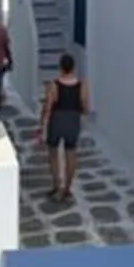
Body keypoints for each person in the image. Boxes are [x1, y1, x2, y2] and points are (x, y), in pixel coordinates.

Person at [39, 51, 89, 199]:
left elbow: (48, 106)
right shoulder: (82, 85)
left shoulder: (54, 85)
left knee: (53, 153)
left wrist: (42, 124)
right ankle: (67, 188)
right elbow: (86, 108)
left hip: (57, 119)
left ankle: (56, 184)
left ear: (61, 67)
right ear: (73, 68)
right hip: (73, 119)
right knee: (71, 153)